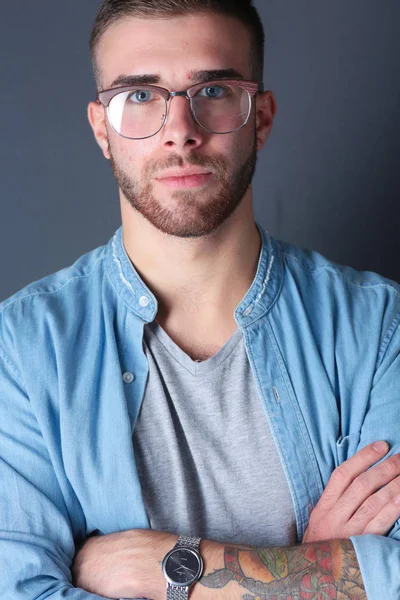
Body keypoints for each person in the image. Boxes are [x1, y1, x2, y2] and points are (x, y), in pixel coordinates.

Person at [1, 0, 400, 598]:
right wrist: (308, 568)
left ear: (260, 117)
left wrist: (161, 566)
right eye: (139, 96)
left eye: (212, 89)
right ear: (100, 129)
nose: (179, 129)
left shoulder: (378, 328)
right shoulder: (24, 347)